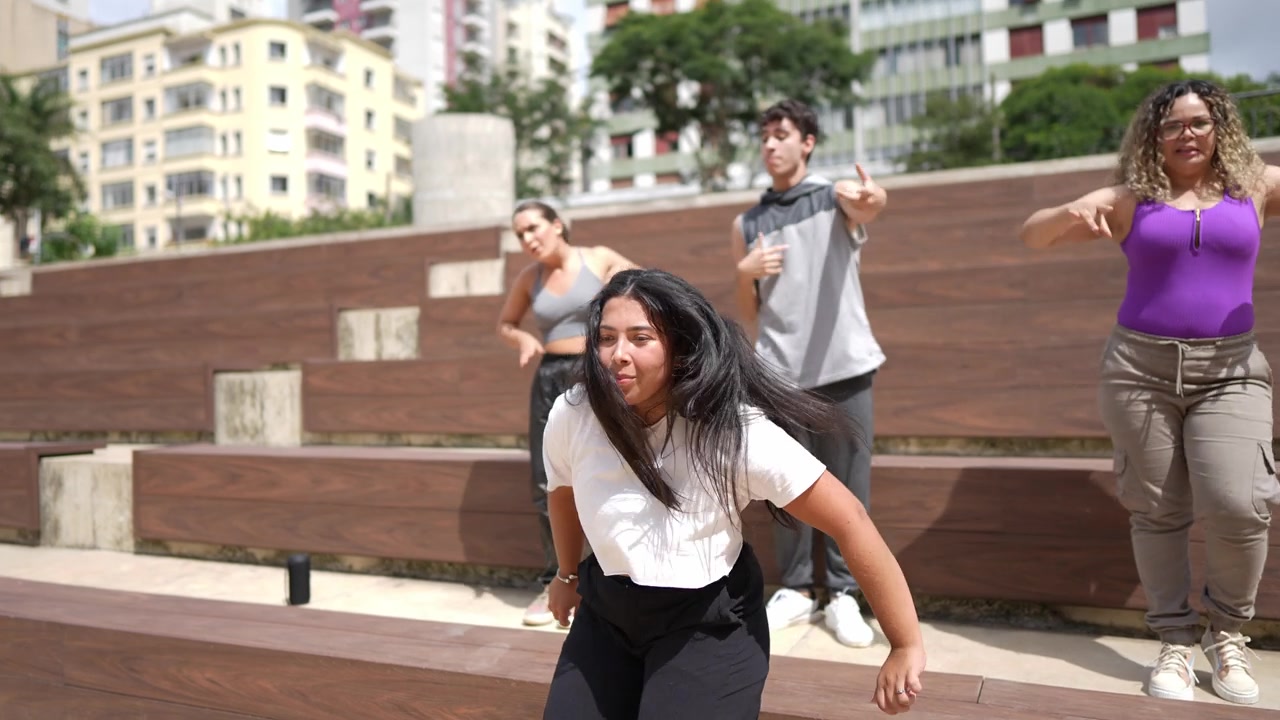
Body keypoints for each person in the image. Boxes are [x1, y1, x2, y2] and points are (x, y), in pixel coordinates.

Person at [540, 268, 925, 718]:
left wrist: (905, 643)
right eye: (607, 338)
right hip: (606, 611)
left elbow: (850, 519)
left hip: (706, 621)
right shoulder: (574, 413)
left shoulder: (734, 432)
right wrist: (567, 576)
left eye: (640, 338)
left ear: (680, 346)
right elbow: (563, 490)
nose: (617, 355)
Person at [1020, 79, 1280, 706]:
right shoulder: (1132, 198)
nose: (1186, 134)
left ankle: (1227, 634)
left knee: (1241, 503)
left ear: (1219, 127)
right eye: (1171, 125)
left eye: (1198, 122)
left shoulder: (1256, 185)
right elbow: (1033, 234)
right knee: (1158, 509)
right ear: (1153, 136)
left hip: (1231, 369)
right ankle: (1173, 641)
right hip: (1139, 370)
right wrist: (1069, 213)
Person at [730, 98, 890, 647]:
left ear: (807, 142)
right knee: (784, 488)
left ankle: (844, 593)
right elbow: (748, 313)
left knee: (849, 488)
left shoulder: (834, 197)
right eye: (765, 136)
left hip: (846, 367)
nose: (771, 144)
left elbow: (870, 206)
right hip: (779, 376)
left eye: (782, 134)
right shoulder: (747, 222)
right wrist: (744, 273)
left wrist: (873, 198)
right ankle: (797, 590)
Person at [496, 200, 636, 627]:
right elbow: (505, 323)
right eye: (520, 234)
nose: (527, 239)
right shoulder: (529, 277)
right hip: (550, 375)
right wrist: (522, 339)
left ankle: (617, 582)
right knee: (548, 480)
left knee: (612, 471)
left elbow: (644, 290)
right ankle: (558, 579)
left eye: (533, 227)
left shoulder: (598, 258)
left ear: (557, 225)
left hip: (597, 373)